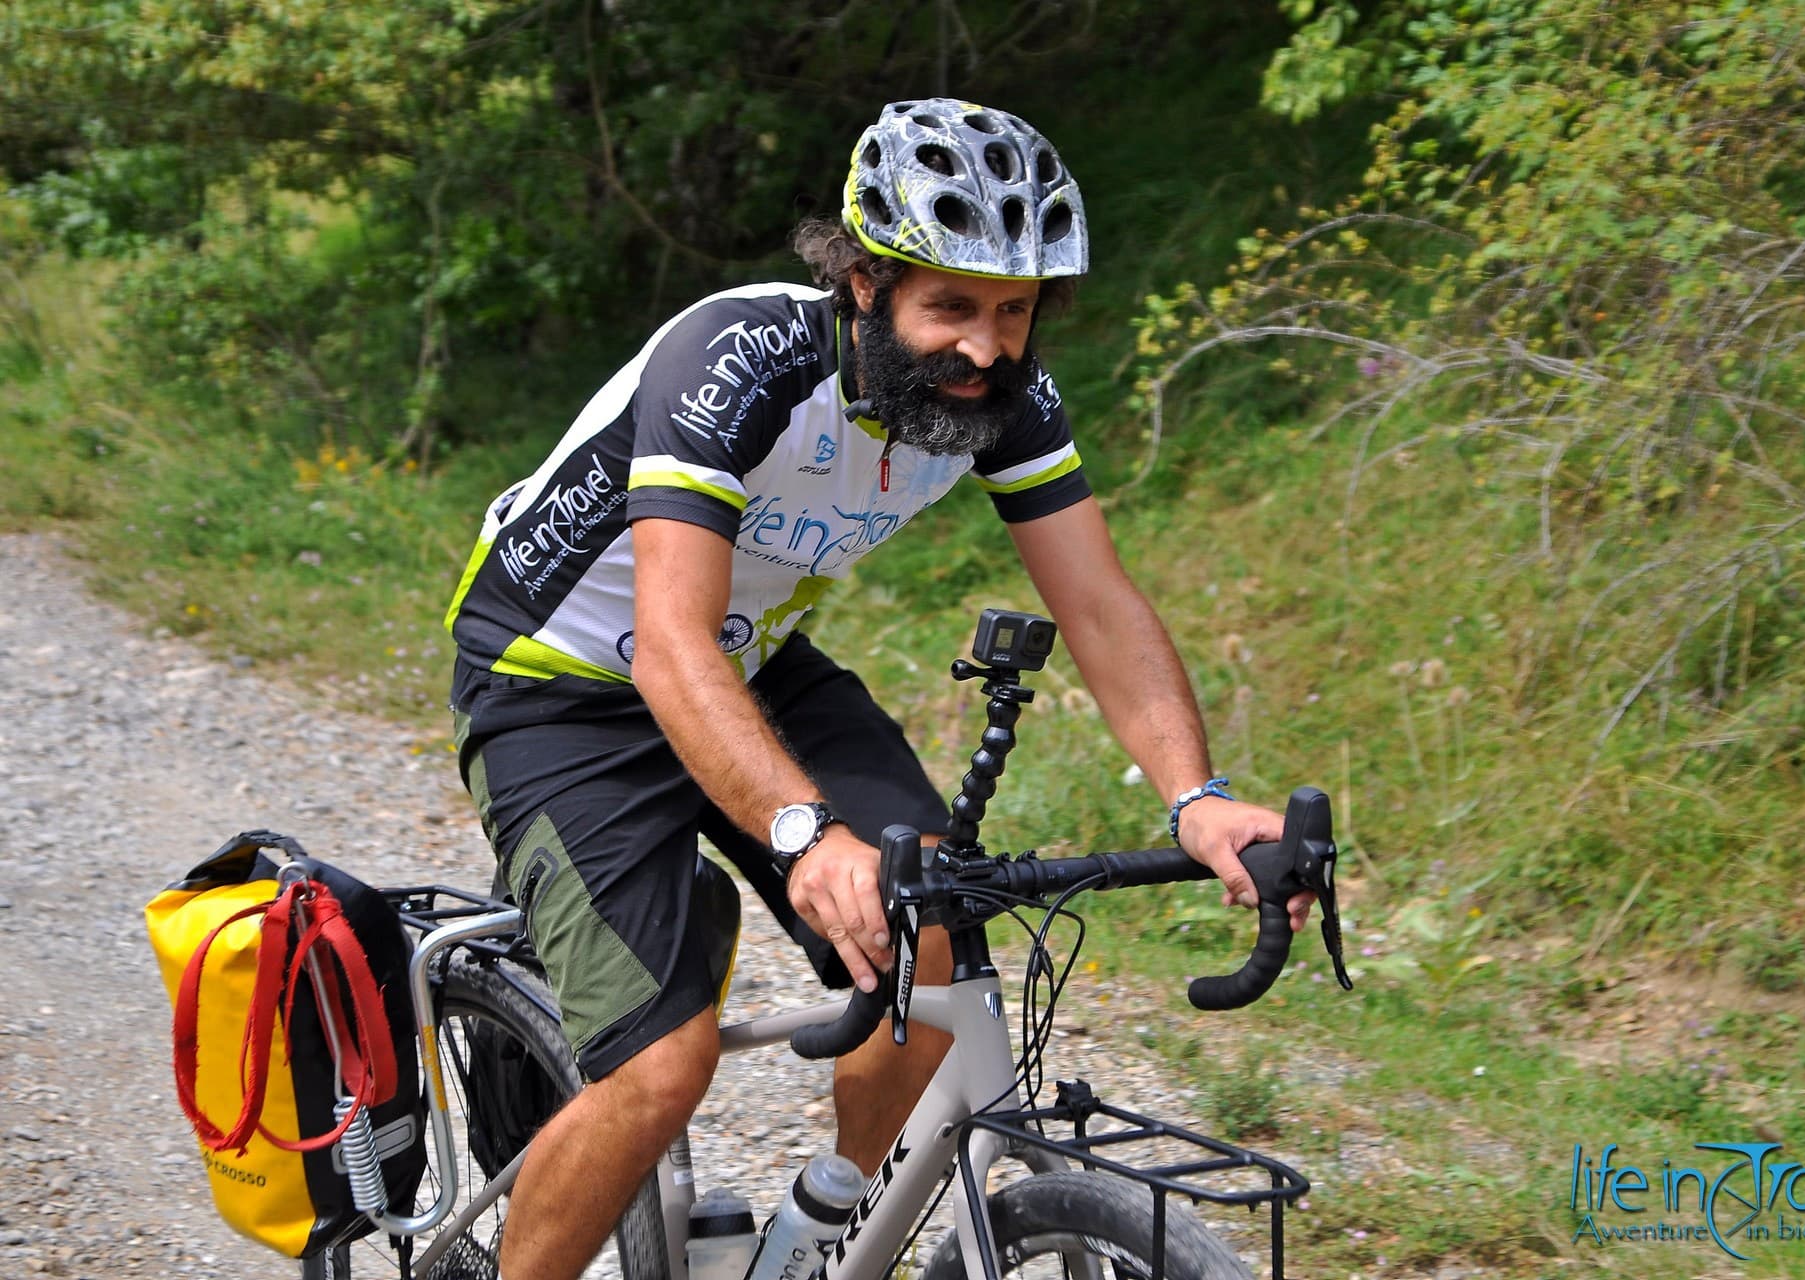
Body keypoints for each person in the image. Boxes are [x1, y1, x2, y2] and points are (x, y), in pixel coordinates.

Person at [443, 97, 1314, 1280]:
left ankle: (817, 1235)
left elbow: (1099, 604)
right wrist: (805, 833)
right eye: (950, 304)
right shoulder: (736, 359)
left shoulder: (1000, 401)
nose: (986, 345)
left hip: (750, 661)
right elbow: (666, 646)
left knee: (933, 941)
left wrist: (1196, 797)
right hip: (563, 684)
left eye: (1013, 310)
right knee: (660, 1064)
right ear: (863, 283)